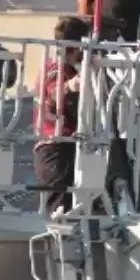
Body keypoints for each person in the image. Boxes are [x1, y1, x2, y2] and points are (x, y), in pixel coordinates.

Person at [33, 16, 89, 214]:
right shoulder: (56, 70)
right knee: (60, 211)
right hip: (56, 149)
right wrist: (69, 86)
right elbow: (52, 92)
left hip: (65, 148)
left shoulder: (65, 68)